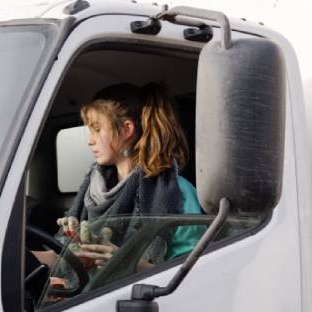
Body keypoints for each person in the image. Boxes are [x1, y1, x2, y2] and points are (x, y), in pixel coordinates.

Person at [58, 81, 203, 270]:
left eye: (97, 129)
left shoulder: (178, 192)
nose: (90, 140)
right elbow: (62, 261)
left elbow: (190, 273)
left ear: (127, 130)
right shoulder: (92, 191)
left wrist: (127, 262)